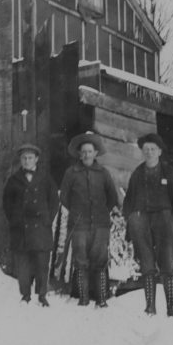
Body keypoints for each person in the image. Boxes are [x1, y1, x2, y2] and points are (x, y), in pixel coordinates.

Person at [123, 133, 173, 317]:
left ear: (159, 151)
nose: (149, 152)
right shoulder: (137, 174)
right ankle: (150, 307)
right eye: (146, 150)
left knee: (167, 263)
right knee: (146, 264)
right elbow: (128, 202)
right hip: (141, 221)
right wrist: (131, 218)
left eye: (153, 149)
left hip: (163, 221)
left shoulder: (170, 172)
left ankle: (171, 309)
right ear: (142, 152)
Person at [60, 132, 118, 308]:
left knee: (99, 261)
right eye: (83, 152)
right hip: (79, 225)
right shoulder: (71, 172)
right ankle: (83, 298)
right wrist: (79, 210)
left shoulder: (103, 173)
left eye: (90, 151)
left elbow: (112, 198)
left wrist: (100, 211)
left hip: (100, 225)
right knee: (81, 260)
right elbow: (64, 197)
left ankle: (101, 298)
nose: (86, 155)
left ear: (95, 153)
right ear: (79, 154)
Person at [2, 144, 59, 306]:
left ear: (37, 159)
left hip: (41, 228)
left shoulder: (46, 178)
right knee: (23, 264)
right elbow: (6, 203)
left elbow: (54, 201)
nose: (27, 161)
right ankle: (25, 295)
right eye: (24, 158)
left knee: (42, 263)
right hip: (21, 229)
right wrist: (14, 220)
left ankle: (42, 295)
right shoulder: (13, 180)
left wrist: (48, 219)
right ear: (20, 160)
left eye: (30, 158)